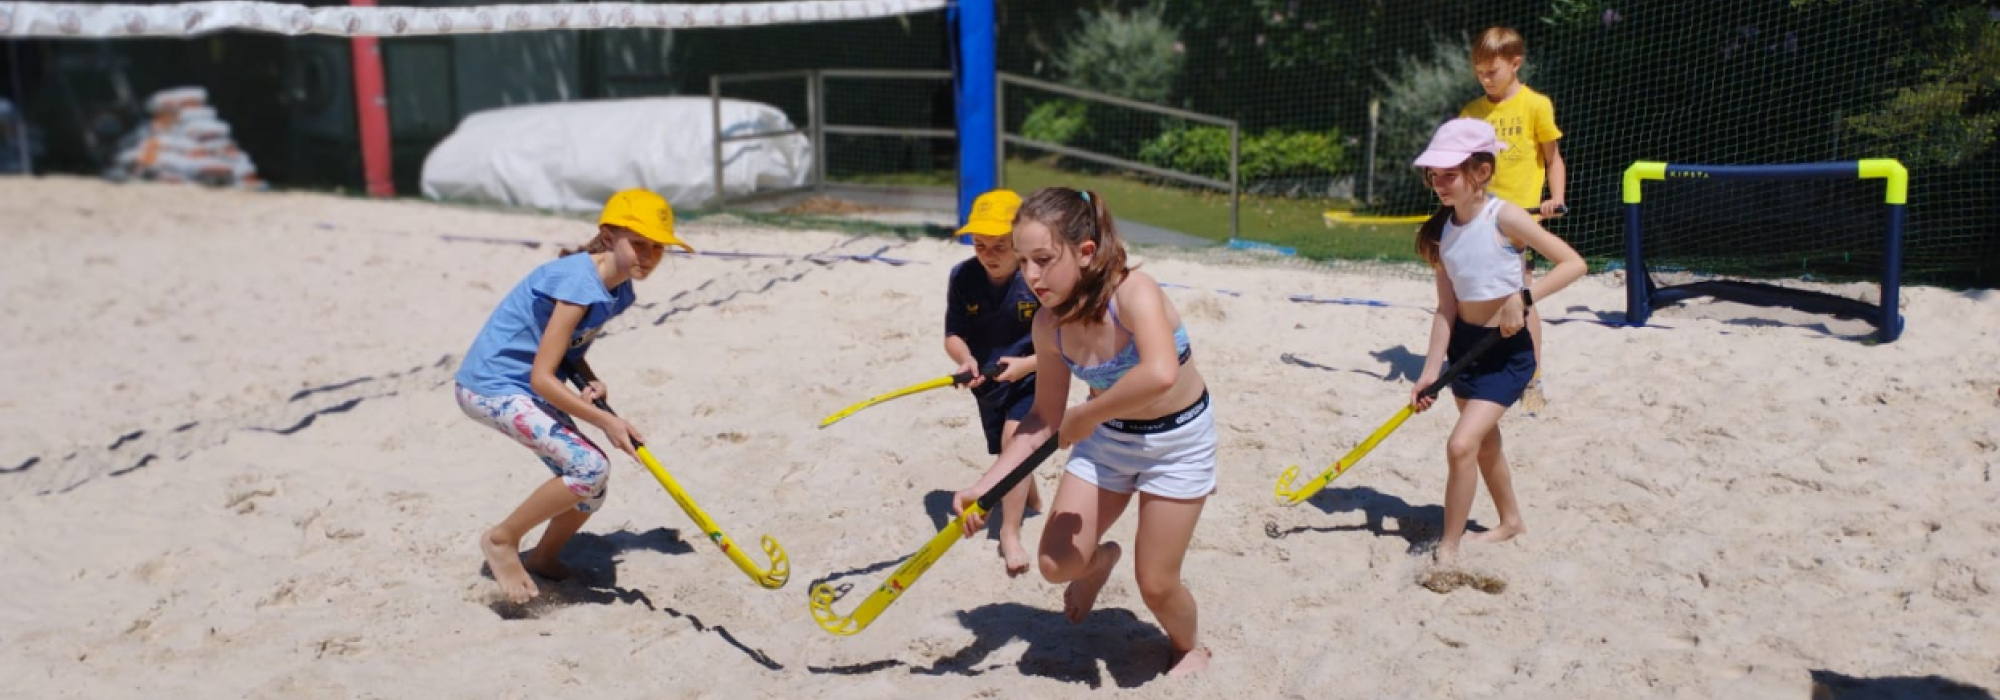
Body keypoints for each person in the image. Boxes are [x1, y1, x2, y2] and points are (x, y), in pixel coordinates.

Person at [952, 187, 1216, 677]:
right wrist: (984, 487)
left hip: (1176, 444)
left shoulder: (1135, 292)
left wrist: (1089, 415)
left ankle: (1188, 647)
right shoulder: (1049, 324)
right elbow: (1044, 419)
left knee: (1156, 584)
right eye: (1023, 260)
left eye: (1044, 260)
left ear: (1086, 252)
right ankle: (1099, 563)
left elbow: (1161, 373)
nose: (1030, 276)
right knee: (1055, 565)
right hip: (1109, 442)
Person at [453, 189, 693, 604]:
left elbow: (566, 352)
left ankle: (545, 557)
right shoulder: (578, 281)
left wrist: (588, 378)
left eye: (658, 247)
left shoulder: (620, 291)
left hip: (524, 384)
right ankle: (502, 539)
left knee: (592, 487)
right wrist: (606, 421)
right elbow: (543, 378)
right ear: (608, 234)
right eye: (638, 243)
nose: (649, 255)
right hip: (490, 386)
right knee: (588, 466)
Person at [1408, 119, 1585, 564]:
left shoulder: (1504, 216)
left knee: (1461, 445)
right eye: (1434, 175)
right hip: (1465, 350)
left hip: (1506, 352)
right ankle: (1510, 521)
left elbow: (1573, 264)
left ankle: (1449, 546)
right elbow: (1445, 310)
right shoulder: (1440, 233)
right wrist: (1429, 373)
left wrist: (1523, 298)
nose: (1439, 184)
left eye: (1449, 174)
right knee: (1484, 444)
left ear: (1480, 172)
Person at [1460, 25, 1567, 412]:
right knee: (1476, 293)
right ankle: (1486, 364)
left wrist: (1555, 198)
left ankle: (1532, 378)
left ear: (1515, 63)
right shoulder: (1472, 113)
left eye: (1492, 71)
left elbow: (1553, 159)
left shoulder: (1536, 105)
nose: (1485, 79)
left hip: (1520, 220)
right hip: (1479, 218)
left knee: (1520, 296)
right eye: (1479, 72)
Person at [944, 189, 1046, 576]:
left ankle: (1010, 533)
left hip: (1033, 375)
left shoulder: (1035, 277)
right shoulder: (963, 277)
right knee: (1010, 455)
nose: (988, 252)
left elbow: (1064, 344)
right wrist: (965, 359)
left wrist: (1028, 365)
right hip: (987, 381)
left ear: (1019, 241)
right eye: (979, 243)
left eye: (999, 245)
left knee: (1013, 443)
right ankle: (1031, 497)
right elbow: (953, 334)